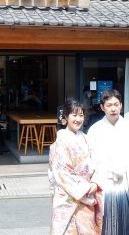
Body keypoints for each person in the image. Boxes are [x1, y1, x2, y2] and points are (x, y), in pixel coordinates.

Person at [87, 89, 129, 235]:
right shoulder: (94, 130)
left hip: (126, 181)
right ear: (102, 107)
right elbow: (89, 160)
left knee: (127, 219)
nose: (113, 108)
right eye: (109, 105)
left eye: (116, 104)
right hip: (104, 182)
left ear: (121, 106)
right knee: (106, 220)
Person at [48, 99, 103, 234]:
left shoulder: (86, 138)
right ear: (66, 117)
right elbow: (62, 172)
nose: (78, 119)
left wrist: (95, 182)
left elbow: (96, 163)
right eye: (74, 115)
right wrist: (86, 187)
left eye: (81, 115)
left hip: (88, 193)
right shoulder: (60, 140)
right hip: (69, 196)